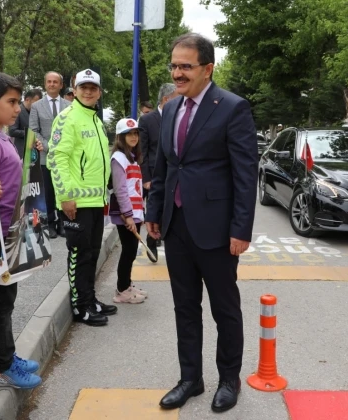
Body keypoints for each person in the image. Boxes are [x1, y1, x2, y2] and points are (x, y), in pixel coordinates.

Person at [146, 33, 257, 413]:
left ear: (207, 69)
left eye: (185, 66)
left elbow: (246, 174)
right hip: (176, 227)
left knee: (225, 308)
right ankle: (190, 378)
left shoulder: (232, 108)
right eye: (174, 65)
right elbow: (164, 167)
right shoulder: (171, 110)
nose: (177, 73)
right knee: (184, 307)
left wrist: (241, 230)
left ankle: (229, 379)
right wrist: (154, 213)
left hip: (216, 230)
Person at [0, 71, 43, 389]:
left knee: (7, 300)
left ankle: (6, 354)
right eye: (12, 102)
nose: (18, 108)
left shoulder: (1, 136)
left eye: (19, 101)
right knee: (1, 303)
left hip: (12, 232)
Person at [47, 69, 116, 326]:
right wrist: (65, 196)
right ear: (74, 90)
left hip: (96, 200)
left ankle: (90, 299)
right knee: (78, 254)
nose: (88, 92)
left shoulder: (95, 119)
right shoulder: (67, 118)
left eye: (93, 88)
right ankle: (80, 306)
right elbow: (57, 158)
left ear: (99, 93)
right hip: (75, 203)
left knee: (91, 253)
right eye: (83, 87)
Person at [109, 118, 148, 304]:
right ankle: (121, 290)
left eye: (135, 133)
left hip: (135, 212)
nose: (133, 137)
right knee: (128, 250)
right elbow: (120, 188)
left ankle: (127, 284)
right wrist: (128, 215)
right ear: (120, 136)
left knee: (131, 251)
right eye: (129, 134)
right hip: (126, 214)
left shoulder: (132, 157)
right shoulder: (119, 158)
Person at [30, 72, 71, 239]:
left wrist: (61, 148)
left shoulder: (69, 105)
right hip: (45, 157)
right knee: (48, 193)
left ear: (61, 85)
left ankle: (62, 223)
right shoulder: (36, 106)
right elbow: (33, 130)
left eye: (56, 82)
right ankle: (51, 225)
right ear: (45, 84)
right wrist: (48, 147)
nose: (52, 84)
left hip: (64, 157)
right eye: (49, 82)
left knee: (61, 191)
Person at [139, 83, 178, 258]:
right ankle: (152, 240)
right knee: (155, 208)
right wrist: (146, 178)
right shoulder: (148, 120)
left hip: (174, 173)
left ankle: (164, 237)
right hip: (154, 175)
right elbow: (142, 151)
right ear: (166, 99)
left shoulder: (179, 116)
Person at [9, 88, 42, 158]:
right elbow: (12, 131)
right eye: (36, 103)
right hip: (21, 152)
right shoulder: (17, 111)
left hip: (34, 153)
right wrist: (30, 133)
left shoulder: (35, 112)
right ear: (27, 100)